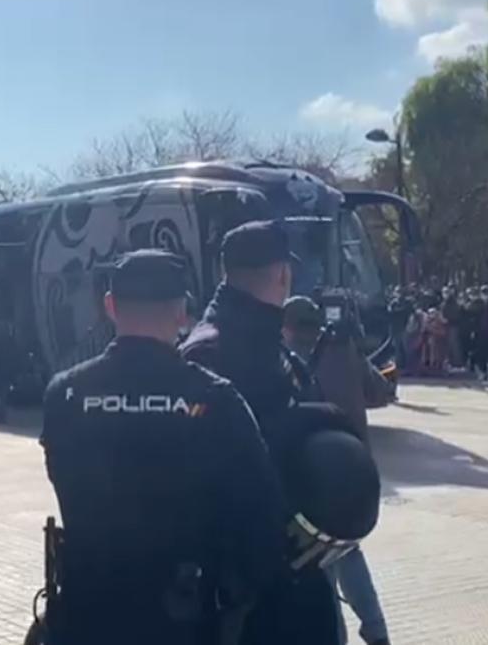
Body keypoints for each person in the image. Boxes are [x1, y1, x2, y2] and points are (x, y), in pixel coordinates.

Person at [41, 249, 287, 644]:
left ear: (110, 307)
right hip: (183, 624)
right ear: (182, 313)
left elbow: (64, 478)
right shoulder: (217, 400)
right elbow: (263, 526)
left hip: (84, 622)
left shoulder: (63, 395)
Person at [179, 220, 358, 645]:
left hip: (285, 570)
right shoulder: (216, 350)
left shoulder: (246, 343)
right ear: (283, 275)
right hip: (246, 589)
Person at [281, 297, 392, 645]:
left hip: (318, 482)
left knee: (322, 569)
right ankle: (377, 632)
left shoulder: (287, 364)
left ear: (286, 327)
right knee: (349, 553)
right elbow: (380, 391)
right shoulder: (343, 348)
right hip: (357, 472)